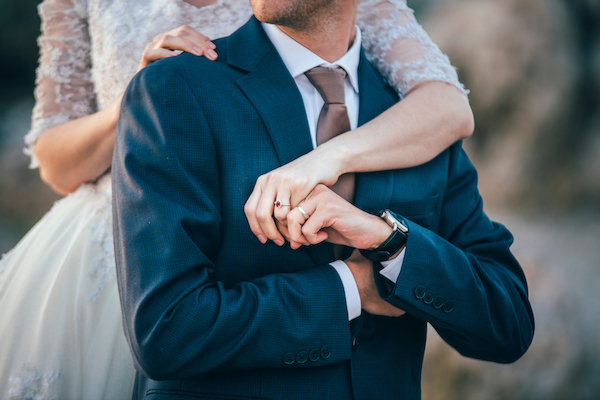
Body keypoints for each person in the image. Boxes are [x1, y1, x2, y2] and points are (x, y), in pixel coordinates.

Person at [0, 0, 471, 399]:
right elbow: (55, 163)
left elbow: (448, 105)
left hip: (247, 242)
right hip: (104, 252)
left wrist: (328, 159)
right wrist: (138, 100)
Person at [113, 1, 534, 400]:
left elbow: (508, 321)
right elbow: (165, 331)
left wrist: (391, 244)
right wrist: (351, 286)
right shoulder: (177, 88)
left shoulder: (419, 120)